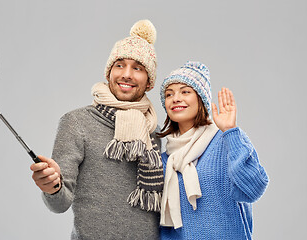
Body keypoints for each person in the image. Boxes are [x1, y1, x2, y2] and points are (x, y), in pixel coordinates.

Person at [30, 19, 164, 240]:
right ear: (109, 72)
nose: (127, 74)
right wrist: (51, 186)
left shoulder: (154, 132)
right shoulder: (77, 123)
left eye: (137, 68)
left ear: (149, 81)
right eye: (119, 65)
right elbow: (60, 202)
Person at [158, 61, 269, 239]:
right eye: (169, 94)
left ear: (201, 98)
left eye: (185, 91)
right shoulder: (165, 159)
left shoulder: (227, 141)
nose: (175, 98)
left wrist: (231, 132)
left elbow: (253, 189)